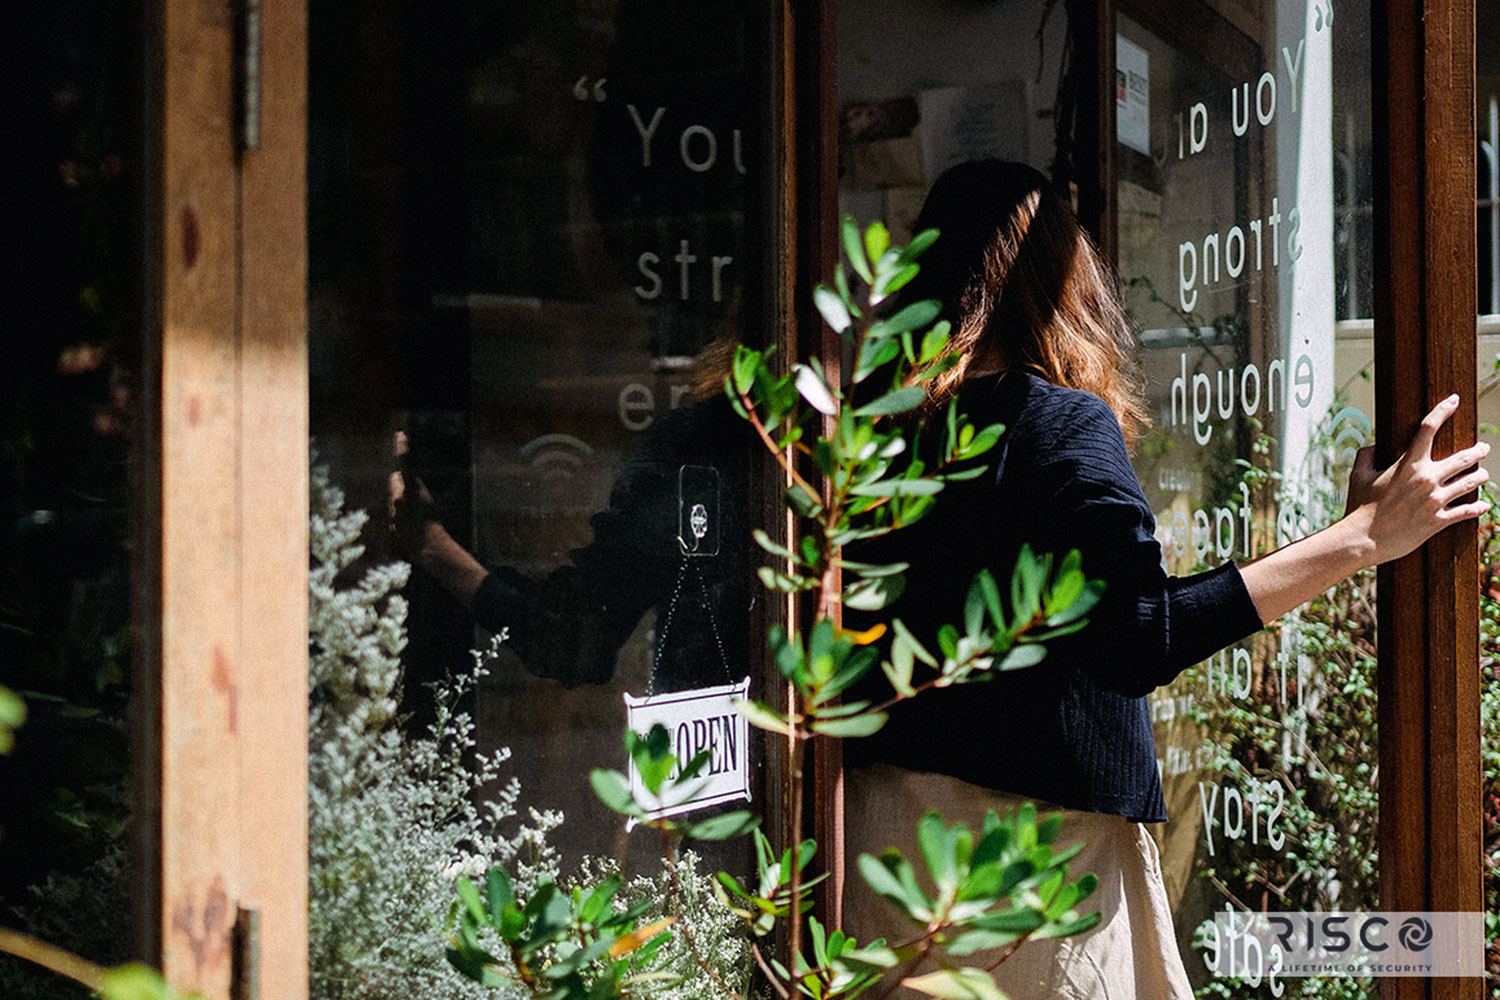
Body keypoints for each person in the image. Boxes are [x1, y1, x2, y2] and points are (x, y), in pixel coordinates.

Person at [840, 160, 1490, 999]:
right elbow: (1138, 635)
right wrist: (1363, 537)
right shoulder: (1058, 421)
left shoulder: (875, 434)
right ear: (1065, 281)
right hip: (1022, 862)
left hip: (879, 841)